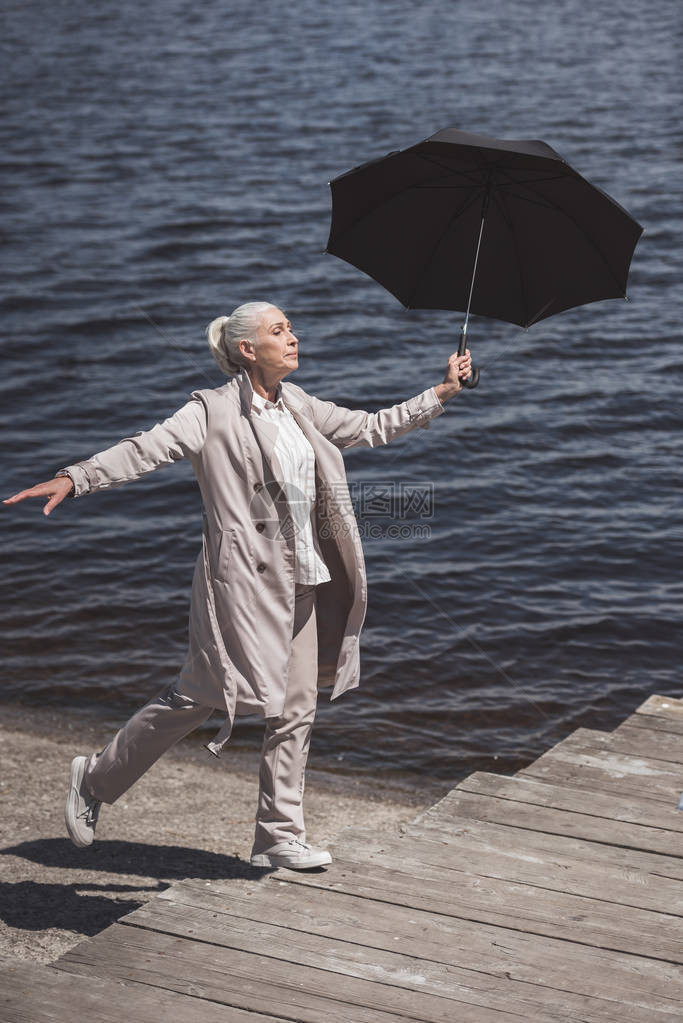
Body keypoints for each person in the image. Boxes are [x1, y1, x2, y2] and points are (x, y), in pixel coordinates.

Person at [3, 302, 472, 870]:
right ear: (248, 349)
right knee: (200, 696)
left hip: (301, 580)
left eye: (291, 328)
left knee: (296, 708)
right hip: (239, 589)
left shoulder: (298, 405)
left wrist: (441, 392)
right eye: (280, 331)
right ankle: (95, 779)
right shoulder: (211, 411)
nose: (294, 338)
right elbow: (144, 449)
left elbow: (369, 427)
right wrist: (76, 477)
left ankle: (277, 835)